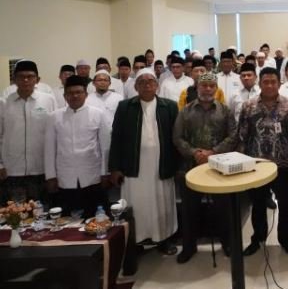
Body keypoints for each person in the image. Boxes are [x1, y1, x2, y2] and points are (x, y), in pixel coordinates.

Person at [109, 68, 179, 255]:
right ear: (136, 86)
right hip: (133, 166)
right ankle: (135, 242)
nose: (147, 85)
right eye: (142, 82)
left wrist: (177, 166)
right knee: (136, 205)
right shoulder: (125, 107)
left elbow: (176, 138)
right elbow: (116, 138)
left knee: (162, 202)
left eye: (151, 82)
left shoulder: (170, 106)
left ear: (157, 85)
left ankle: (163, 239)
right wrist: (115, 168)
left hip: (161, 165)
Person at [173, 72, 236, 263]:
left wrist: (213, 152)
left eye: (211, 86)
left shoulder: (225, 110)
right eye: (204, 85)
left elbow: (233, 136)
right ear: (198, 87)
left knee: (223, 208)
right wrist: (195, 153)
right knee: (189, 210)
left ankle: (227, 243)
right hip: (191, 167)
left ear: (216, 88)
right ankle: (189, 247)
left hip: (219, 167)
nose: (207, 89)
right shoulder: (185, 111)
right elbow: (177, 137)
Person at [236, 67, 288, 256]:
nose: (270, 85)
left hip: (283, 164)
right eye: (266, 82)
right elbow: (242, 137)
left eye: (273, 82)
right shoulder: (248, 106)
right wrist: (242, 164)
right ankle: (258, 238)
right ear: (260, 83)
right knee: (257, 204)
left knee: (285, 203)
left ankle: (285, 238)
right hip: (257, 165)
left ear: (279, 83)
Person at [44, 75, 111, 218]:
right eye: (70, 93)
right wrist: (50, 176)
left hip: (92, 176)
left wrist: (105, 173)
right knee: (67, 220)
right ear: (64, 96)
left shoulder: (98, 114)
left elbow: (105, 147)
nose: (74, 96)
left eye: (78, 92)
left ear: (86, 94)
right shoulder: (54, 117)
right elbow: (49, 150)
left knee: (96, 219)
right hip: (65, 177)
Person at [0, 60, 57, 204]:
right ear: (14, 80)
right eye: (21, 76)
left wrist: (54, 169)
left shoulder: (48, 101)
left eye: (30, 76)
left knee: (43, 212)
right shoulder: (4, 103)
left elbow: (55, 134)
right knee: (14, 213)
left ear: (37, 80)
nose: (26, 80)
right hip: (12, 170)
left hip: (42, 169)